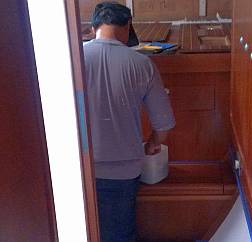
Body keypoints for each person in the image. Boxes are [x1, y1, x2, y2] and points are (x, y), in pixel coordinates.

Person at [83, 2, 175, 242]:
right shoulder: (142, 64)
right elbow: (163, 124)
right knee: (119, 234)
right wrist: (153, 143)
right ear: (127, 28)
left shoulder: (73, 58)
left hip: (79, 168)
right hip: (123, 171)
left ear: (94, 28)